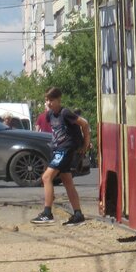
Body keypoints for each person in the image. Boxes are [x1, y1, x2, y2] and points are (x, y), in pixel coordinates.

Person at [31, 87, 92, 226]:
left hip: (66, 150)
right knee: (67, 180)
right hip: (58, 149)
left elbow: (84, 124)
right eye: (46, 100)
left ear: (59, 100)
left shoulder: (65, 113)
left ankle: (47, 213)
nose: (48, 103)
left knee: (46, 177)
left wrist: (85, 144)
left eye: (51, 100)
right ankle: (78, 214)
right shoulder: (50, 115)